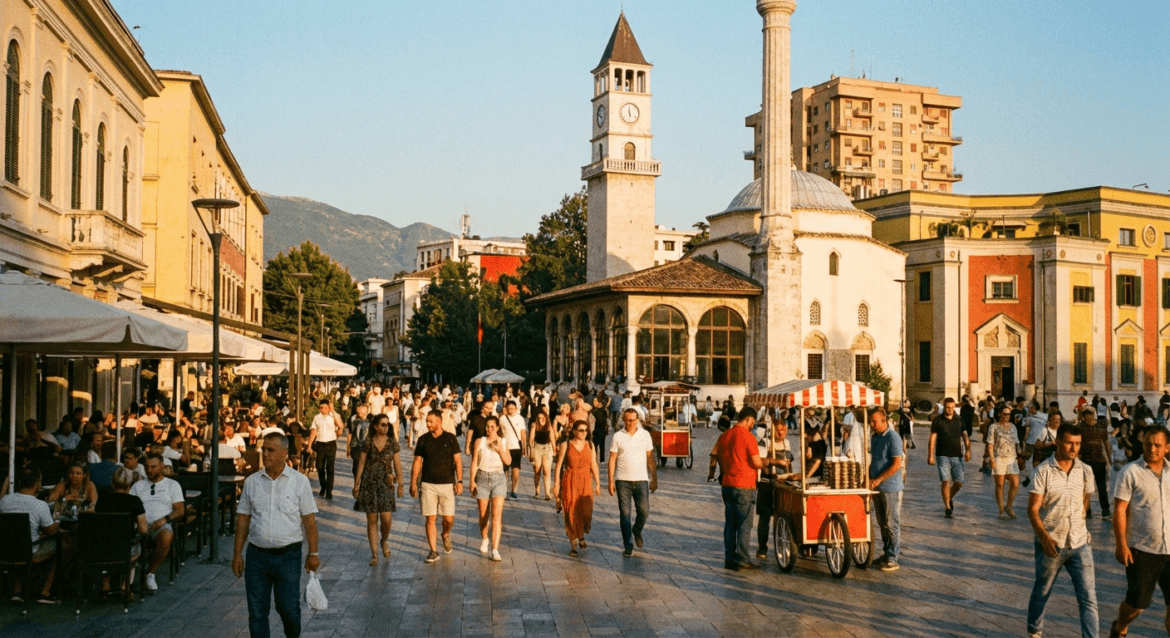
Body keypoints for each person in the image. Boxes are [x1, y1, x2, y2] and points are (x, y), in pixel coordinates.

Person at [232, 432, 320, 638]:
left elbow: (309, 521)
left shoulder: (299, 482)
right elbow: (243, 519)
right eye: (264, 449)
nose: (265, 454)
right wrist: (237, 554)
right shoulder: (252, 482)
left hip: (288, 557)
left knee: (288, 609)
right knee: (257, 611)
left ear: (284, 453)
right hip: (257, 557)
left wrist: (313, 553)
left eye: (271, 450)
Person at [1026, 422, 1098, 638]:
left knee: (1089, 598)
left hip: (1080, 543)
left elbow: (1085, 501)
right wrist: (1044, 538)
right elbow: (1033, 509)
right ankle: (1034, 630)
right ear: (1057, 441)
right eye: (1069, 443)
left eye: (1077, 443)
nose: (1074, 448)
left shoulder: (1086, 471)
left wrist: (1077, 521)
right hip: (1052, 543)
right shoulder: (1043, 471)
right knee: (1042, 590)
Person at [1109, 425, 1170, 638]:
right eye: (1148, 444)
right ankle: (1120, 626)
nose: (1152, 449)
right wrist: (1121, 545)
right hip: (1143, 551)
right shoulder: (1130, 472)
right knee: (1137, 605)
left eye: (1157, 445)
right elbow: (1120, 510)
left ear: (1167, 447)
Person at [708, 407, 784, 571]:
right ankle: (742, 559)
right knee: (744, 524)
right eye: (752, 422)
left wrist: (718, 472)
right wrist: (766, 464)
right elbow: (756, 462)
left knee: (730, 524)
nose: (753, 425)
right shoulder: (748, 437)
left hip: (727, 485)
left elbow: (715, 456)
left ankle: (729, 558)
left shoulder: (724, 436)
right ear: (749, 419)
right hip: (744, 485)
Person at [0, 468, 60, 604]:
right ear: (38, 484)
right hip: (29, 552)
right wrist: (57, 522)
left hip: (6, 551)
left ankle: (17, 591)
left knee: (18, 541)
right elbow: (51, 531)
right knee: (59, 545)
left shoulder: (4, 501)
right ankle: (44, 592)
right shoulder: (40, 505)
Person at [410, 411, 463, 563]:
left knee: (448, 518)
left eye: (431, 421)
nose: (428, 424)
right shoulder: (423, 439)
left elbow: (458, 461)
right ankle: (433, 551)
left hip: (447, 484)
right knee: (431, 518)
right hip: (428, 484)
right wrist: (413, 483)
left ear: (439, 421)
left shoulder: (450, 438)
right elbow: (417, 462)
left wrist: (459, 481)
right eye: (427, 421)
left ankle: (445, 534)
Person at [128, 453, 185, 592]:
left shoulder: (172, 485)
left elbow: (180, 510)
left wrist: (164, 519)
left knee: (166, 535)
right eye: (147, 467)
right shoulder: (138, 485)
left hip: (161, 525)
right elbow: (129, 506)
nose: (149, 470)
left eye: (153, 467)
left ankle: (150, 573)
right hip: (139, 525)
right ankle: (124, 580)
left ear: (162, 467)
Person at [352, 414, 403, 566]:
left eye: (387, 424)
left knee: (386, 519)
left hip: (386, 484)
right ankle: (374, 554)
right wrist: (357, 483)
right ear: (375, 426)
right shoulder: (367, 442)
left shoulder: (392, 443)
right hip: (369, 483)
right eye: (382, 424)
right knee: (372, 520)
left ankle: (384, 540)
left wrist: (400, 484)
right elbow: (361, 462)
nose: (385, 427)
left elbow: (397, 464)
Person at [608, 408, 657, 557]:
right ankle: (628, 545)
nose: (631, 423)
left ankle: (637, 530)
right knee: (625, 514)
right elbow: (612, 459)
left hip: (641, 479)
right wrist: (610, 481)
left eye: (633, 420)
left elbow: (650, 457)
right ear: (624, 420)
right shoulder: (617, 436)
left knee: (644, 511)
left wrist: (654, 478)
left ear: (637, 420)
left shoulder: (645, 435)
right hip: (622, 480)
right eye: (628, 420)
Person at [95, 468, 149, 598]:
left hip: (101, 550)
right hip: (125, 550)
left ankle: (105, 584)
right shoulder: (134, 501)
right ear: (129, 485)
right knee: (136, 549)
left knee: (108, 546)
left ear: (113, 483)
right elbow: (143, 529)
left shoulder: (102, 500)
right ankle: (125, 586)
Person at [553, 419, 601, 557]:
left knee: (586, 512)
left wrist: (598, 483)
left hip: (586, 480)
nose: (584, 433)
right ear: (574, 431)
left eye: (586, 430)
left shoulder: (590, 445)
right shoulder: (566, 445)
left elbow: (594, 464)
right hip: (570, 480)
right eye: (581, 430)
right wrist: (556, 484)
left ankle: (581, 534)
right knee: (570, 511)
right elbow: (558, 466)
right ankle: (574, 543)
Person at [469, 415, 510, 562]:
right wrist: (471, 481)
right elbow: (475, 462)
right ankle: (485, 538)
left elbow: (508, 461)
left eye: (492, 427)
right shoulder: (480, 441)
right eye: (487, 426)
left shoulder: (503, 441)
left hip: (498, 478)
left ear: (497, 427)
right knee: (483, 515)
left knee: (496, 516)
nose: (489, 429)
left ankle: (495, 549)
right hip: (482, 478)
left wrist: (500, 450)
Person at [868, 407, 904, 572]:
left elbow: (896, 464)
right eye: (871, 421)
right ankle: (886, 553)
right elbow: (875, 460)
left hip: (890, 487)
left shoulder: (893, 437)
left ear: (884, 421)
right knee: (882, 522)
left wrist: (878, 479)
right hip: (877, 486)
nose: (872, 424)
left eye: (874, 421)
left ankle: (892, 558)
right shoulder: (875, 437)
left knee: (891, 523)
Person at [928, 397, 971, 518]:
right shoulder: (938, 421)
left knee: (959, 483)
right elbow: (932, 438)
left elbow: (965, 436)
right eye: (947, 407)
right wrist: (930, 455)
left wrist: (968, 450)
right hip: (942, 455)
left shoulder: (960, 420)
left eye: (952, 407)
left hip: (957, 455)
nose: (950, 409)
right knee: (946, 480)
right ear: (944, 407)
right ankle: (947, 507)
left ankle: (948, 497)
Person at [1077, 408, 1113, 520]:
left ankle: (1105, 511)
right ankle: (1087, 510)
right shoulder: (1080, 427)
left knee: (1102, 487)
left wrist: (1109, 458)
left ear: (1093, 415)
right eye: (1085, 416)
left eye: (1090, 415)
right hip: (1085, 461)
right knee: (1084, 487)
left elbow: (1106, 443)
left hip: (1099, 461)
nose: (1088, 418)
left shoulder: (1101, 428)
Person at [988, 406, 1021, 519]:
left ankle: (1009, 506)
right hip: (999, 457)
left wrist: (1020, 454)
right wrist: (991, 459)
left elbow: (1017, 442)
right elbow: (990, 444)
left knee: (1015, 483)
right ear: (999, 414)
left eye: (1008, 414)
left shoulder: (1013, 427)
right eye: (1005, 414)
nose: (1007, 416)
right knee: (1000, 484)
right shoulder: (994, 427)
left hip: (1011, 458)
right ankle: (1001, 511)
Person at [306, 399, 343, 500]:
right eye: (321, 408)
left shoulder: (333, 416)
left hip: (331, 443)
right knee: (320, 467)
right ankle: (323, 486)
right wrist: (309, 445)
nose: (323, 409)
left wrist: (332, 410)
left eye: (326, 407)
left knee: (330, 468)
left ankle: (329, 491)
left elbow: (340, 426)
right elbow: (314, 431)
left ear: (329, 407)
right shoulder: (317, 417)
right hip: (320, 444)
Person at [499, 401, 527, 500]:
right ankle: (504, 490)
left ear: (516, 408)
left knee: (515, 470)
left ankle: (514, 490)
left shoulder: (520, 418)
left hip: (516, 447)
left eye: (512, 409)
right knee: (505, 470)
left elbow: (523, 433)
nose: (511, 411)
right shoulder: (502, 418)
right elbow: (499, 431)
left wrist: (524, 447)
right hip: (505, 447)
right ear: (506, 408)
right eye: (509, 409)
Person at [528, 410, 556, 500]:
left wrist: (554, 450)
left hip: (547, 449)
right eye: (539, 418)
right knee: (537, 470)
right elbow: (531, 440)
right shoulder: (535, 426)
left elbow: (552, 438)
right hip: (537, 449)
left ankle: (547, 493)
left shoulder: (549, 426)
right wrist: (530, 451)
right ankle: (537, 491)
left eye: (543, 418)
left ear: (546, 418)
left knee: (547, 471)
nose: (541, 420)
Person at [347, 404, 371, 480]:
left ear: (367, 412)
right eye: (359, 413)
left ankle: (363, 483)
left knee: (366, 467)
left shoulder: (371, 422)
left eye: (363, 413)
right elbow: (350, 434)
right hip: (355, 446)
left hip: (367, 447)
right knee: (356, 466)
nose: (361, 415)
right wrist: (348, 448)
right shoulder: (353, 421)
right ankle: (357, 482)